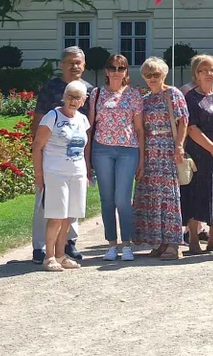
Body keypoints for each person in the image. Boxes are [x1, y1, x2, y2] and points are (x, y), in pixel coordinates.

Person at [30, 47, 92, 264]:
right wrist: (38, 161)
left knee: (71, 207)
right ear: (62, 64)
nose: (75, 66)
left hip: (75, 161)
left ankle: (67, 245)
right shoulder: (51, 88)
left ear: (84, 65)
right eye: (70, 62)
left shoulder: (89, 90)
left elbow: (88, 130)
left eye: (79, 62)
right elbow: (38, 121)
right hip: (53, 161)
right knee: (47, 207)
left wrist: (87, 164)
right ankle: (40, 247)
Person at [87, 54, 144, 262]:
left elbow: (139, 129)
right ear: (107, 71)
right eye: (113, 67)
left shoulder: (134, 95)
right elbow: (90, 128)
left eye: (121, 68)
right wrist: (87, 159)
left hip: (128, 150)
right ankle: (111, 243)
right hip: (102, 149)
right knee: (107, 199)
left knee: (122, 199)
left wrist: (142, 159)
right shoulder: (97, 93)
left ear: (126, 72)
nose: (117, 72)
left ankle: (126, 243)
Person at [135, 57, 188, 260]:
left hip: (167, 150)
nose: (151, 79)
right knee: (152, 198)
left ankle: (173, 244)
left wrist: (179, 146)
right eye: (147, 75)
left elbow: (183, 121)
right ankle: (159, 241)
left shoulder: (172, 93)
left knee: (168, 199)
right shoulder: (145, 99)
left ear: (164, 75)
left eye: (155, 75)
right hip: (149, 152)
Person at [181, 54, 213, 255]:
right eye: (203, 70)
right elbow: (191, 128)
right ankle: (193, 239)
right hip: (200, 151)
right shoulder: (191, 97)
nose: (209, 73)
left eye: (212, 70)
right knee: (196, 194)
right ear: (196, 74)